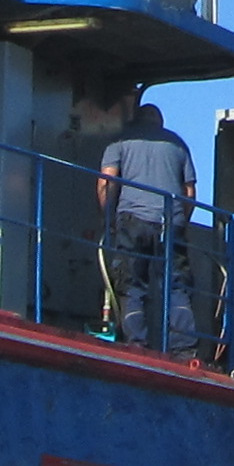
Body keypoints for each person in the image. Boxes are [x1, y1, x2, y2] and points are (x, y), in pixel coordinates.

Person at [96, 101, 195, 351]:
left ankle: (137, 343)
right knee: (176, 286)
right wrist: (181, 223)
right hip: (170, 222)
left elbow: (107, 181)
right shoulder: (177, 143)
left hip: (133, 221)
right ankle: (184, 349)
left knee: (131, 283)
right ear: (159, 121)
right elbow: (190, 193)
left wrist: (108, 220)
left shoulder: (120, 141)